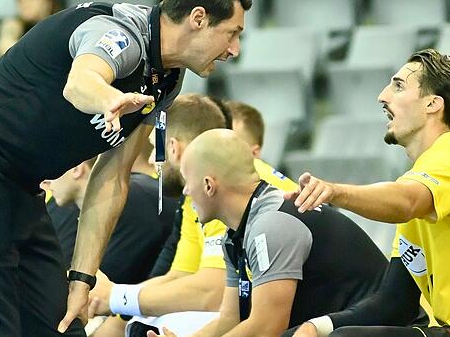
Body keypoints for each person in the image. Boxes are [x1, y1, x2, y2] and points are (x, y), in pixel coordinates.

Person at [0, 0, 251, 336]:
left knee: (63, 326)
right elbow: (80, 82)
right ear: (198, 19)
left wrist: (82, 279)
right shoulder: (120, 34)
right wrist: (111, 99)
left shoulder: (166, 79)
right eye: (232, 33)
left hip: (19, 184)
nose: (233, 49)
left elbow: (113, 177)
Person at [287, 49, 450, 337]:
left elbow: (405, 202)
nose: (382, 95)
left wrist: (335, 192)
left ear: (432, 104)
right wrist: (317, 326)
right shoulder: (423, 184)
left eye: (398, 86)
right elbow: (395, 303)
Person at [144, 129, 388, 337]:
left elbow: (266, 328)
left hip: (382, 328)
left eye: (188, 181)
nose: (186, 191)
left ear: (209, 185)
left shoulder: (271, 226)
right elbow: (231, 319)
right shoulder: (236, 234)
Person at [90, 95, 298, 337]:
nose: (149, 160)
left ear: (172, 148)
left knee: (145, 326)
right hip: (263, 310)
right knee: (134, 321)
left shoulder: (225, 187)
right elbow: (182, 275)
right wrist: (115, 303)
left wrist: (117, 298)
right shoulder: (195, 194)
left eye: (154, 148)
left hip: (302, 318)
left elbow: (212, 293)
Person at [42, 155, 178, 282]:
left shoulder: (134, 202)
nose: (45, 182)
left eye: (51, 170)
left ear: (77, 169)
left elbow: (97, 290)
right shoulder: (72, 207)